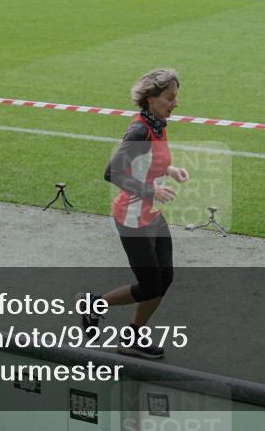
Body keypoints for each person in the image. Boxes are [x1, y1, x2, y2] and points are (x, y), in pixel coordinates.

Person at [77, 69, 188, 359]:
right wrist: (151, 191)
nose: (175, 103)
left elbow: (148, 160)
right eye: (169, 98)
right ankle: (95, 304)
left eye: (175, 97)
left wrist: (169, 170)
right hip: (132, 219)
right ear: (151, 98)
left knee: (165, 278)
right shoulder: (139, 130)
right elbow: (112, 172)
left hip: (153, 215)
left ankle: (132, 337)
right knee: (151, 285)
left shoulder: (158, 124)